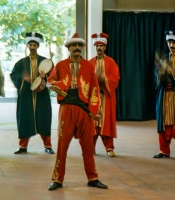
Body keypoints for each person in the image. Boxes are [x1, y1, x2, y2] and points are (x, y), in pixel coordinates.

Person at [47, 32, 108, 190]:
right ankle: (58, 179)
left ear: (81, 48)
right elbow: (51, 81)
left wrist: (95, 109)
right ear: (68, 48)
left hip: (84, 109)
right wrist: (56, 86)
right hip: (66, 109)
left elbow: (94, 88)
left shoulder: (89, 66)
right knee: (62, 146)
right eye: (73, 45)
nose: (76, 48)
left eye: (79, 45)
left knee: (88, 146)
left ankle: (93, 178)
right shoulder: (60, 65)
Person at [10, 32, 54, 154]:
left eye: (35, 44)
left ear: (38, 46)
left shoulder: (45, 61)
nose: (33, 47)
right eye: (31, 45)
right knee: (25, 119)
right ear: (28, 46)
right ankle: (23, 146)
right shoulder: (21, 62)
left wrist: (44, 78)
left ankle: (48, 145)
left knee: (43, 119)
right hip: (26, 95)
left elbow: (53, 77)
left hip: (42, 96)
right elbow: (14, 74)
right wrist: (24, 79)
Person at [89, 33, 120, 157]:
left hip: (106, 96)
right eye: (97, 46)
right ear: (95, 48)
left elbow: (115, 77)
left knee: (106, 121)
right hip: (93, 98)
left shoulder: (111, 62)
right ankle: (90, 147)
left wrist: (104, 80)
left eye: (101, 46)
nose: (99, 48)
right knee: (92, 123)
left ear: (105, 47)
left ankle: (109, 147)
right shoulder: (90, 62)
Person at [153, 30, 175, 158]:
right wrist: (160, 73)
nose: (171, 45)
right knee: (163, 122)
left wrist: (172, 73)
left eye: (173, 42)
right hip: (165, 96)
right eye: (170, 42)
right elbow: (156, 77)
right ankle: (164, 150)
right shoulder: (164, 59)